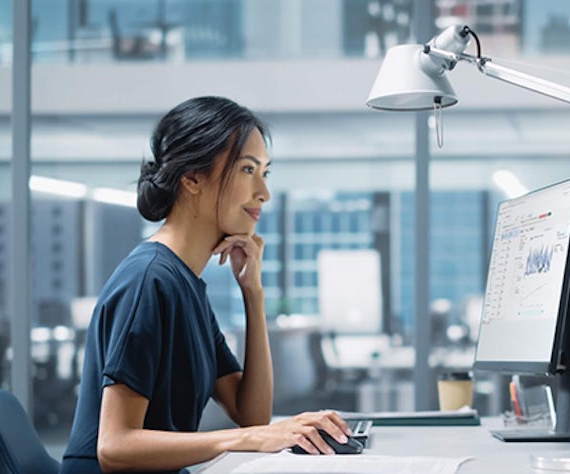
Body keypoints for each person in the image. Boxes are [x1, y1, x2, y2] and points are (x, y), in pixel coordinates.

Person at [61, 96, 352, 473]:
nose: (264, 193)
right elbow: (115, 446)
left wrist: (253, 294)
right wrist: (245, 440)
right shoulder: (149, 281)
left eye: (265, 173)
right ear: (193, 178)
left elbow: (252, 415)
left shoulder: (185, 285)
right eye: (249, 170)